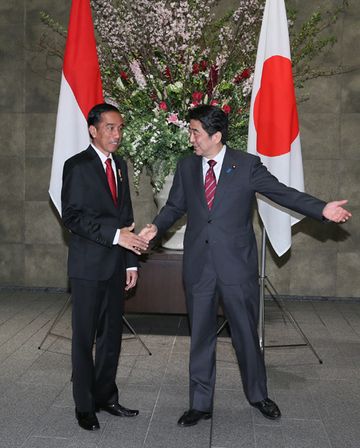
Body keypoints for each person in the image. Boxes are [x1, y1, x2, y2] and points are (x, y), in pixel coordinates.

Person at [139, 105, 351, 427]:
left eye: (195, 132)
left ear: (216, 136)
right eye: (191, 131)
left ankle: (258, 395)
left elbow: (283, 193)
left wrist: (322, 209)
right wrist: (155, 228)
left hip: (237, 266)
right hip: (199, 266)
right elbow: (174, 206)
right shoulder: (186, 166)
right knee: (200, 335)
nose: (191, 138)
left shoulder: (247, 165)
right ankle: (200, 403)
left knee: (245, 335)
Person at [61, 103, 149, 431]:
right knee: (84, 339)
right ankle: (84, 406)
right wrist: (115, 237)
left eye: (120, 128)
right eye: (110, 128)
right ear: (93, 130)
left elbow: (125, 218)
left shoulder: (120, 165)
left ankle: (105, 396)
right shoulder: (77, 166)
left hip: (115, 267)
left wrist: (131, 264)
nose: (117, 134)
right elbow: (72, 217)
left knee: (111, 337)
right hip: (87, 268)